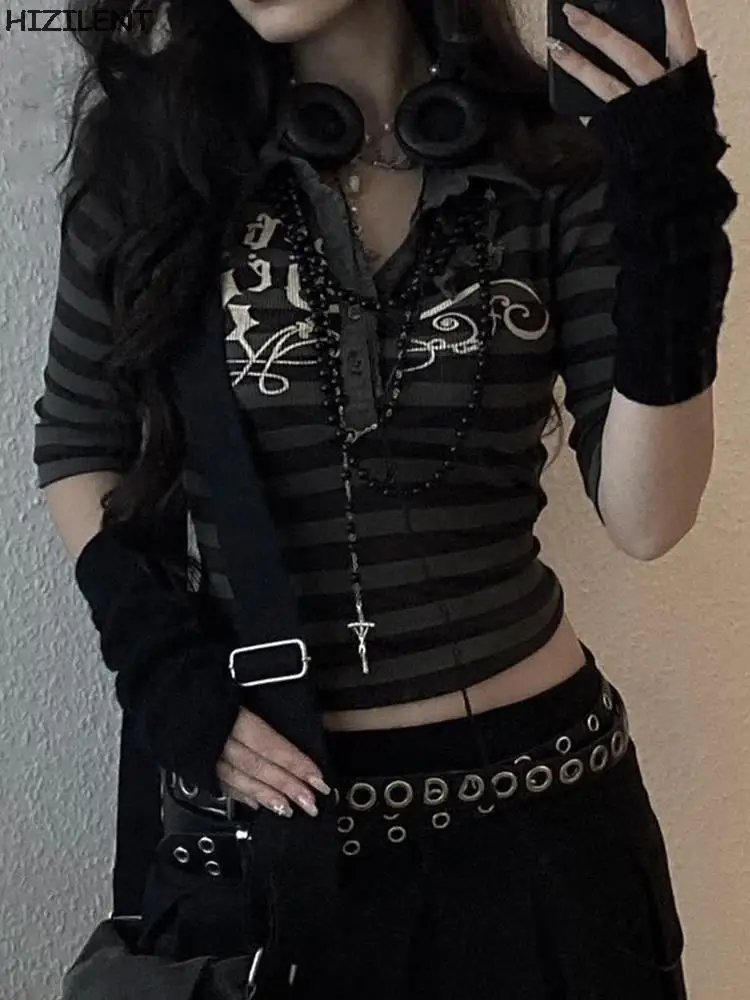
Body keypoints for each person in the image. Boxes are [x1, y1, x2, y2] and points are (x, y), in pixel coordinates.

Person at [34, 0, 737, 997]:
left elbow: (648, 517)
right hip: (284, 843)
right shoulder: (158, 158)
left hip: (548, 822)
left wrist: (670, 208)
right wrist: (159, 663)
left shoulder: (547, 157)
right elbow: (80, 442)